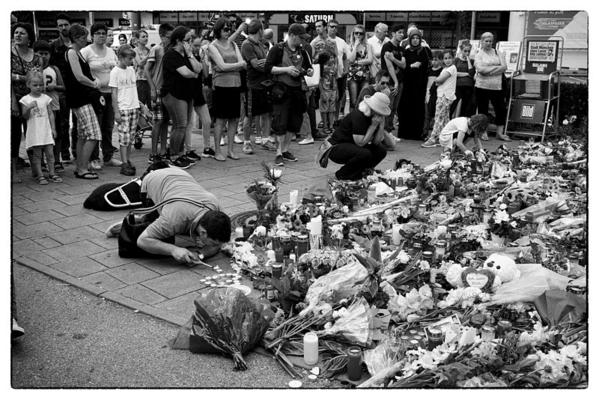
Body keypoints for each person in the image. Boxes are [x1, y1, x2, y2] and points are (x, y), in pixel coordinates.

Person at [108, 167, 232, 264]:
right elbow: (143, 241)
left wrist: (201, 254)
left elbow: (219, 242)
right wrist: (174, 250)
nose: (217, 247)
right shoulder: (174, 218)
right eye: (214, 243)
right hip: (152, 180)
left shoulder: (215, 207)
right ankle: (141, 221)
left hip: (180, 175)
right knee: (164, 239)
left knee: (180, 229)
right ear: (203, 233)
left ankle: (149, 219)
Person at [265, 23, 313, 167]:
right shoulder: (277, 49)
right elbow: (268, 68)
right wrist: (286, 69)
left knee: (294, 122)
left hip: (297, 90)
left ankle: (286, 150)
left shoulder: (303, 51)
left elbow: (309, 68)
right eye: (301, 37)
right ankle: (278, 152)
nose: (303, 40)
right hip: (282, 90)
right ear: (292, 35)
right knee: (281, 122)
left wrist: (308, 71)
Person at [161, 25, 204, 169]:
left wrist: (190, 55)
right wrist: (194, 74)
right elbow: (186, 73)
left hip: (186, 94)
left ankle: (179, 153)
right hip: (174, 95)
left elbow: (199, 68)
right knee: (180, 125)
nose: (190, 42)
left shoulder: (186, 54)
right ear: (179, 40)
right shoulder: (170, 55)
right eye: (188, 39)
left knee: (182, 126)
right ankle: (173, 155)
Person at [63, 24, 102, 179]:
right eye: (85, 37)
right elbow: (79, 76)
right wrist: (93, 83)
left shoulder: (76, 52)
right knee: (93, 135)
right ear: (78, 38)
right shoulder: (72, 52)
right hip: (80, 99)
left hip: (79, 99)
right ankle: (83, 169)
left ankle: (80, 167)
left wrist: (94, 80)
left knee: (83, 135)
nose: (87, 40)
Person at [327, 92, 395, 181]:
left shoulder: (376, 116)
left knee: (380, 150)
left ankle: (362, 171)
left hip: (352, 145)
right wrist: (373, 126)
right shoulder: (359, 115)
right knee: (364, 153)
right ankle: (341, 174)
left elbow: (376, 142)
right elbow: (360, 143)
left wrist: (381, 126)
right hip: (336, 147)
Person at [81, 23, 122, 170]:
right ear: (92, 35)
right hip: (95, 95)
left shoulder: (111, 51)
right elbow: (80, 73)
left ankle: (108, 156)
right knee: (95, 127)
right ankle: (94, 158)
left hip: (111, 92)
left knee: (108, 126)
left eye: (103, 33)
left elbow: (117, 69)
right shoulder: (85, 51)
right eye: (97, 33)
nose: (101, 35)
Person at [207, 18, 247, 161]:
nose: (227, 31)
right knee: (220, 120)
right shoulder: (212, 46)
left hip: (235, 84)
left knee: (234, 119)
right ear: (218, 30)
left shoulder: (233, 43)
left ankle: (230, 150)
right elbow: (224, 66)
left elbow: (243, 63)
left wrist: (227, 67)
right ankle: (217, 150)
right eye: (224, 29)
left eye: (229, 29)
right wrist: (235, 65)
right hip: (221, 86)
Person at [11, 22, 42, 183]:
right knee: (15, 136)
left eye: (22, 33)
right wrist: (13, 102)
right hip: (14, 98)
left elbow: (38, 78)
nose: (17, 35)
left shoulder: (36, 56)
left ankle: (36, 170)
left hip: (31, 99)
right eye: (16, 32)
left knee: (32, 134)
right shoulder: (9, 53)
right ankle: (13, 172)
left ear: (29, 37)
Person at [19, 71, 62, 185]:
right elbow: (25, 116)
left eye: (41, 85)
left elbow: (50, 113)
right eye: (35, 85)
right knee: (37, 155)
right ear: (28, 85)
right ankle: (40, 175)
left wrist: (53, 128)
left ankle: (52, 173)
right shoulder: (25, 99)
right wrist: (28, 107)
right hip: (35, 131)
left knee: (50, 153)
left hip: (46, 130)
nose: (38, 87)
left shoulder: (46, 98)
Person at [241, 19, 272, 154]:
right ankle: (246, 143)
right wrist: (269, 62)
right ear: (260, 30)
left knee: (266, 114)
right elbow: (255, 65)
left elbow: (262, 64)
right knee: (249, 116)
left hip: (264, 85)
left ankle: (265, 140)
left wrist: (266, 62)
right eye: (263, 28)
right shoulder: (247, 44)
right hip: (252, 86)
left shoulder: (260, 44)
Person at [35, 40, 67, 173]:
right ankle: (41, 161)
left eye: (46, 53)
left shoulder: (54, 69)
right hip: (38, 108)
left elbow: (63, 87)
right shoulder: (33, 70)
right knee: (40, 135)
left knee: (57, 134)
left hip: (54, 106)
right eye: (40, 53)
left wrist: (54, 87)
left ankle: (56, 159)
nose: (43, 56)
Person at [145, 23, 174, 164]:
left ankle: (163, 151)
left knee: (165, 122)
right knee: (157, 122)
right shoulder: (156, 49)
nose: (171, 39)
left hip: (169, 91)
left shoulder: (173, 49)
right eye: (169, 37)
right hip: (158, 89)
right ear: (162, 36)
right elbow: (146, 70)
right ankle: (153, 153)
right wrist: (152, 88)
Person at [109, 45, 140, 176]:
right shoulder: (115, 72)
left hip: (134, 106)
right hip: (123, 108)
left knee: (131, 137)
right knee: (124, 137)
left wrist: (140, 104)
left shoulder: (131, 70)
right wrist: (116, 111)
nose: (131, 61)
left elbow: (134, 88)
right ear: (121, 57)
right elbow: (114, 93)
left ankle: (127, 159)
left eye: (132, 58)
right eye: (129, 58)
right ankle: (124, 162)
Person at [474, 32, 510, 141]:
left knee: (501, 109)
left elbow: (504, 67)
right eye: (486, 41)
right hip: (482, 86)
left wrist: (488, 70)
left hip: (497, 86)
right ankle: (483, 131)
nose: (489, 43)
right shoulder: (478, 54)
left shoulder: (498, 53)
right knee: (483, 110)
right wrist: (496, 68)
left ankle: (500, 133)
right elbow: (480, 70)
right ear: (482, 41)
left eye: (490, 41)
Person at [397, 28, 429, 141]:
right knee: (405, 107)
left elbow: (426, 66)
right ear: (409, 39)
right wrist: (412, 66)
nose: (415, 40)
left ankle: (417, 134)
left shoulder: (424, 50)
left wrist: (417, 65)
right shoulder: (406, 51)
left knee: (418, 109)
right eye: (413, 38)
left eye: (417, 38)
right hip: (408, 84)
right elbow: (404, 67)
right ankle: (405, 133)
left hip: (420, 85)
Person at [49, 13, 73, 163]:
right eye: (60, 25)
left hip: (77, 88)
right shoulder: (53, 46)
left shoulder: (78, 43)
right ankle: (64, 154)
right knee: (63, 123)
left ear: (70, 25)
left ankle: (77, 151)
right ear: (57, 27)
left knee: (78, 123)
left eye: (66, 24)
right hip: (61, 89)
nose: (63, 27)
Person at [423, 49, 457, 147]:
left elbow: (440, 80)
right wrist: (438, 81)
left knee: (438, 117)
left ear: (453, 58)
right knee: (445, 118)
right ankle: (444, 137)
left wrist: (437, 80)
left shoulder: (451, 68)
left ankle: (433, 138)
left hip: (445, 96)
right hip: (442, 95)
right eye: (445, 58)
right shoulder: (445, 69)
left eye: (449, 58)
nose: (447, 60)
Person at [310, 19, 339, 136]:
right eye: (316, 27)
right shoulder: (314, 42)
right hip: (322, 76)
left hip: (332, 75)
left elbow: (336, 56)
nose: (317, 28)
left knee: (333, 100)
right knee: (324, 101)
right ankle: (325, 125)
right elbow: (312, 60)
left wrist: (336, 69)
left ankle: (331, 126)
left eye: (320, 26)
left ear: (325, 27)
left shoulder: (332, 41)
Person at [188, 34, 213, 160]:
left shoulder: (199, 55)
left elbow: (205, 74)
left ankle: (207, 147)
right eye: (195, 45)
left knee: (207, 121)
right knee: (188, 124)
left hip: (198, 91)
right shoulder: (186, 56)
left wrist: (203, 59)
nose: (197, 48)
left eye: (199, 45)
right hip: (188, 92)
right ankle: (187, 149)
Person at [380, 24, 405, 134]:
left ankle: (389, 131)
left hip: (399, 81)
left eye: (402, 32)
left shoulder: (401, 48)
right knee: (388, 107)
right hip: (389, 82)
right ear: (393, 33)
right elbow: (389, 66)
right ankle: (384, 132)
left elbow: (403, 65)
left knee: (394, 108)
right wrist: (395, 82)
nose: (401, 34)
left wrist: (393, 58)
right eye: (399, 32)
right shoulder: (387, 46)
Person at [327, 19, 350, 121]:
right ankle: (327, 121)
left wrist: (346, 69)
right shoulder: (322, 40)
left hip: (340, 75)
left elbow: (346, 56)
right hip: (327, 76)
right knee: (328, 98)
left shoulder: (341, 41)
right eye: (331, 26)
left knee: (338, 98)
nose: (334, 28)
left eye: (336, 27)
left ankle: (335, 120)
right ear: (327, 27)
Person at [347, 25, 373, 112]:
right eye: (356, 33)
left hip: (365, 76)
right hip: (352, 76)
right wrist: (355, 46)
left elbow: (370, 60)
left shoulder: (367, 45)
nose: (358, 35)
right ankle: (352, 122)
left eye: (361, 33)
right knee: (353, 101)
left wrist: (356, 62)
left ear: (364, 35)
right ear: (353, 34)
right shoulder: (350, 45)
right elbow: (350, 59)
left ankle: (360, 121)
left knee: (363, 100)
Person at [451, 39, 476, 118]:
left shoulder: (471, 61)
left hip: (468, 86)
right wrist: (466, 74)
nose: (467, 53)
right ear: (461, 50)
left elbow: (471, 74)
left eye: (469, 51)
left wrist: (468, 59)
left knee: (466, 107)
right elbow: (454, 73)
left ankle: (462, 122)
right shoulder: (456, 60)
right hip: (457, 86)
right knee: (453, 105)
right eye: (465, 51)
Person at [422, 51, 443, 140]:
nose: (434, 62)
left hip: (437, 94)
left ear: (441, 60)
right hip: (428, 93)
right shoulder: (428, 70)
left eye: (436, 60)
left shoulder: (442, 71)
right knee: (427, 115)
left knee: (436, 115)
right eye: (432, 60)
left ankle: (434, 134)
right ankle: (425, 133)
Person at [133, 29, 151, 106]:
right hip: (140, 80)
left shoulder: (149, 50)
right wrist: (149, 55)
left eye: (147, 36)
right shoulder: (135, 51)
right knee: (141, 104)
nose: (146, 38)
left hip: (150, 80)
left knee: (151, 104)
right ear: (137, 39)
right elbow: (140, 63)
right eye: (143, 37)